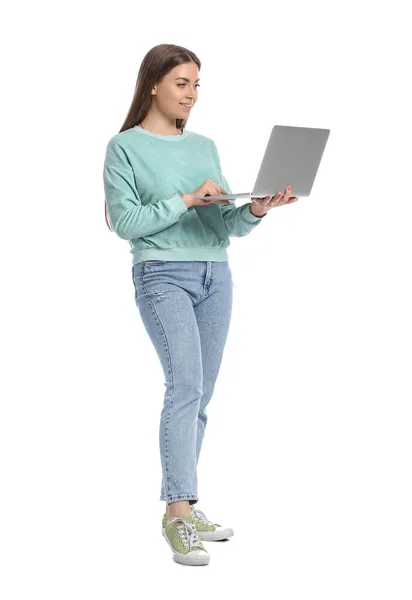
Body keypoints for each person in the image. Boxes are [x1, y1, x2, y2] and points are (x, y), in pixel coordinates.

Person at [103, 43, 298, 566]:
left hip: (216, 273)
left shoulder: (205, 145)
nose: (191, 95)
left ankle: (189, 507)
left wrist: (254, 209)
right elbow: (126, 223)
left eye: (196, 85)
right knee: (184, 385)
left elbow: (224, 227)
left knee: (201, 394)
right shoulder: (124, 147)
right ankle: (176, 514)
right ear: (153, 85)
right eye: (181, 84)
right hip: (161, 273)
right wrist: (186, 200)